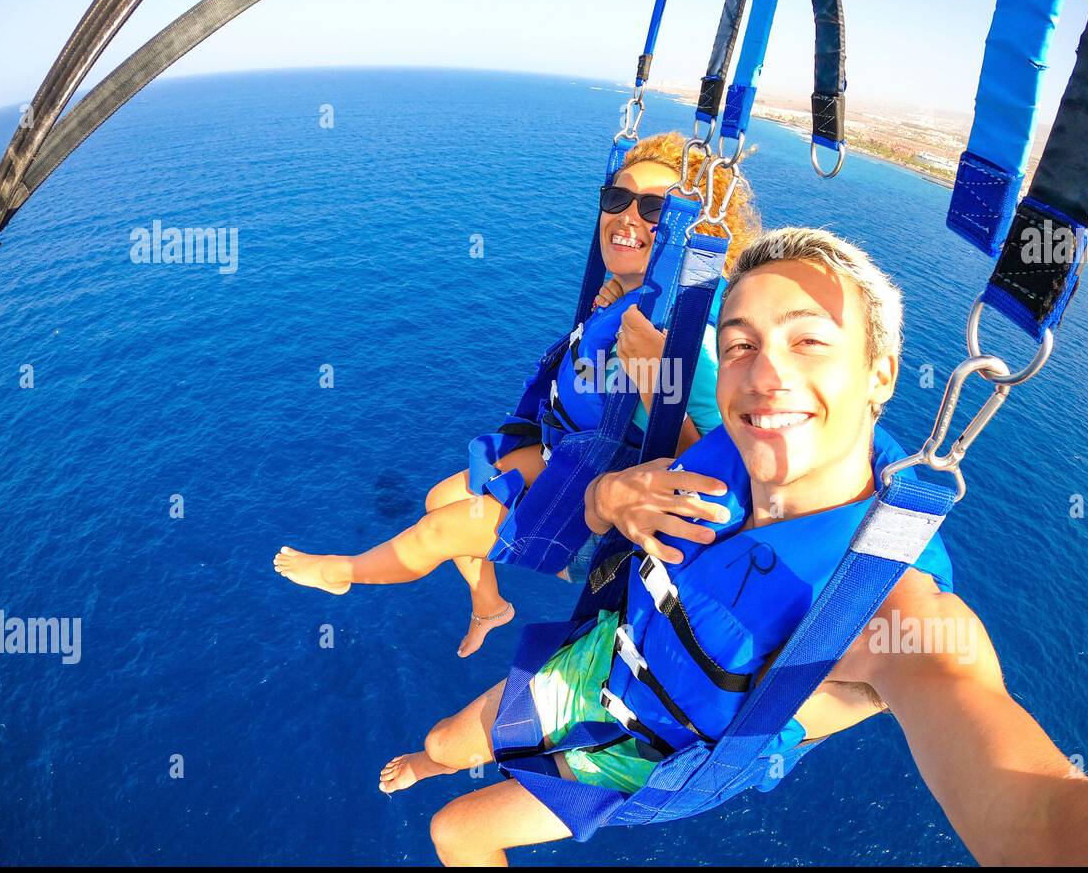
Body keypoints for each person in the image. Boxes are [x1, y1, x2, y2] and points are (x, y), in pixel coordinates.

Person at [373, 227, 1088, 867]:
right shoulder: (715, 454)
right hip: (597, 662)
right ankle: (429, 758)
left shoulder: (888, 606)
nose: (767, 372)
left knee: (457, 832)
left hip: (654, 751)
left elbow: (1040, 817)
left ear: (879, 374)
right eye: (741, 344)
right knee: (447, 740)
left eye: (808, 339)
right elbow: (617, 491)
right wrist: (610, 494)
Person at [273, 133, 760, 656]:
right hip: (573, 448)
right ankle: (490, 607)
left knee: (437, 533)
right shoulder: (640, 297)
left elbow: (709, 472)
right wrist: (617, 298)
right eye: (617, 200)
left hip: (611, 494)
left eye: (654, 210)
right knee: (440, 497)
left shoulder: (696, 339)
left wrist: (656, 377)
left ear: (696, 232)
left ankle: (343, 573)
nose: (627, 218)